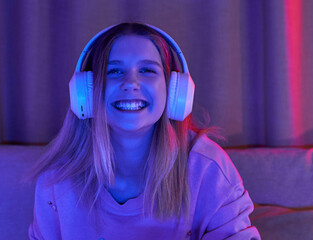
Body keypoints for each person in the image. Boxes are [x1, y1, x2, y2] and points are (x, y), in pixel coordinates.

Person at [26, 23, 260, 240]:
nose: (131, 83)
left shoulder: (208, 169)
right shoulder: (56, 179)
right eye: (114, 71)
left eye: (147, 70)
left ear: (174, 90)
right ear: (86, 92)